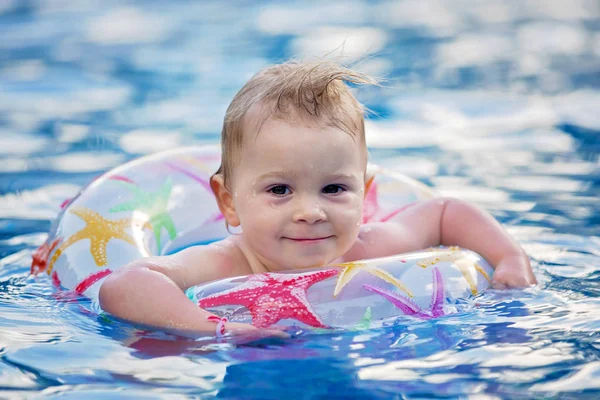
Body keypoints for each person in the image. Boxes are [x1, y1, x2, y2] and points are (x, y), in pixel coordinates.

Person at [99, 60, 537, 339]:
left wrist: (510, 257)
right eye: (279, 190)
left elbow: (445, 212)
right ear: (229, 203)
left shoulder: (370, 246)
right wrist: (219, 331)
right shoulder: (226, 263)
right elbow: (125, 286)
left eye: (334, 189)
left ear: (363, 195)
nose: (310, 212)